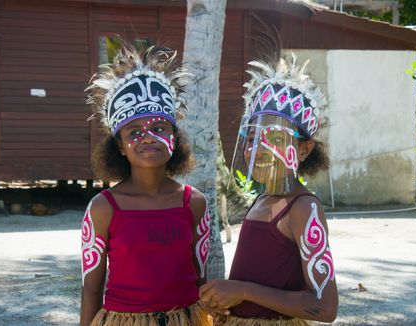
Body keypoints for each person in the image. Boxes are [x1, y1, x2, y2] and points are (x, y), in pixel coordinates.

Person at [199, 55, 338, 325]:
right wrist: (228, 301)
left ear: (304, 149)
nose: (258, 149)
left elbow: (325, 306)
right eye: (252, 139)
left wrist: (242, 291)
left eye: (274, 138)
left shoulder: (303, 208)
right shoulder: (261, 200)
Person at [80, 42, 212, 326]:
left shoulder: (195, 203)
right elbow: (91, 288)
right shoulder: (103, 207)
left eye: (159, 128)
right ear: (120, 146)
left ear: (174, 137)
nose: (148, 137)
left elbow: (201, 278)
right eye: (135, 131)